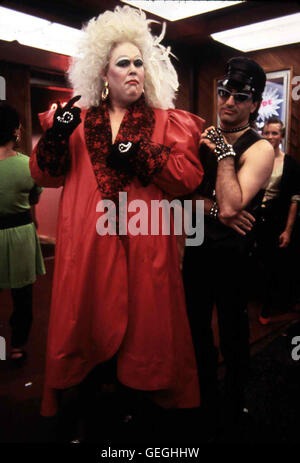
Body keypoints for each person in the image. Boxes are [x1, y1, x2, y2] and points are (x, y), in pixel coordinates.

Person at [29, 5, 204, 437]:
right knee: (84, 329)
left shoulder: (167, 122)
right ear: (102, 73)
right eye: (122, 63)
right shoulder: (76, 122)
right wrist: (54, 135)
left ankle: (140, 413)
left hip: (146, 248)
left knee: (146, 335)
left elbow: (188, 178)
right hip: (88, 248)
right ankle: (88, 410)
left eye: (138, 62)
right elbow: (44, 174)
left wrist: (145, 154)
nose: (132, 70)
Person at [182, 57, 274, 434]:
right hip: (197, 247)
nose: (228, 102)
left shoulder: (261, 149)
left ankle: (234, 405)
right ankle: (203, 398)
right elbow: (178, 197)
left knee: (234, 333)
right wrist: (210, 207)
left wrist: (222, 154)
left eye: (239, 96)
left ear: (254, 104)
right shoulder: (200, 136)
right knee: (196, 330)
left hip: (234, 255)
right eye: (224, 93)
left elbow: (234, 205)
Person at [0, 102, 45, 365]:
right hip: (20, 236)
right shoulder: (28, 165)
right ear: (16, 131)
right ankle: (16, 347)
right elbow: (35, 199)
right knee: (23, 299)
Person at [256, 117, 300, 325]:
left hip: (276, 218)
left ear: (281, 136)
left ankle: (267, 308)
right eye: (266, 133)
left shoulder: (290, 164)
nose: (270, 137)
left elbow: (294, 200)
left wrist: (288, 230)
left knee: (272, 265)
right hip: (253, 215)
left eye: (274, 133)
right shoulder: (255, 158)